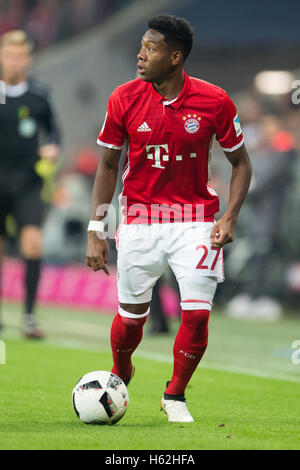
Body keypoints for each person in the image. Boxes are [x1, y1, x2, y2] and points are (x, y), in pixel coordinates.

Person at [86, 14, 252, 422]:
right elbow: (108, 166)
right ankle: (122, 372)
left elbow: (241, 164)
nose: (140, 55)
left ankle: (175, 395)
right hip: (140, 221)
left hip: (197, 221)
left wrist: (229, 217)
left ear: (175, 57)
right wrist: (96, 229)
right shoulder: (123, 98)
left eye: (151, 48)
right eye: (141, 46)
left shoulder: (215, 100)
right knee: (130, 321)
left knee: (196, 315)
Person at [0, 30, 61, 338]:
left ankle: (28, 316)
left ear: (28, 59)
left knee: (33, 243)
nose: (14, 61)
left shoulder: (38, 95)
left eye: (19, 56)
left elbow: (53, 132)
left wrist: (51, 147)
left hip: (27, 181)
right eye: (8, 55)